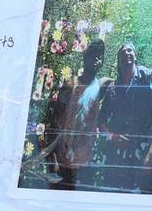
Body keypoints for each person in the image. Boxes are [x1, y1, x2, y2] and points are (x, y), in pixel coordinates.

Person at [98, 41, 152, 193]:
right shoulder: (113, 88)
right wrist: (112, 136)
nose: (127, 54)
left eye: (130, 50)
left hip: (143, 154)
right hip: (116, 159)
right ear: (118, 61)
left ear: (135, 56)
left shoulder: (147, 78)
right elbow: (100, 120)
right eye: (122, 53)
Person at [42, 38, 106, 190]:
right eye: (93, 55)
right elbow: (55, 122)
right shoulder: (70, 85)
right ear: (85, 57)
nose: (97, 59)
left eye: (100, 56)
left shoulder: (102, 85)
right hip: (64, 159)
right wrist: (54, 161)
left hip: (86, 160)